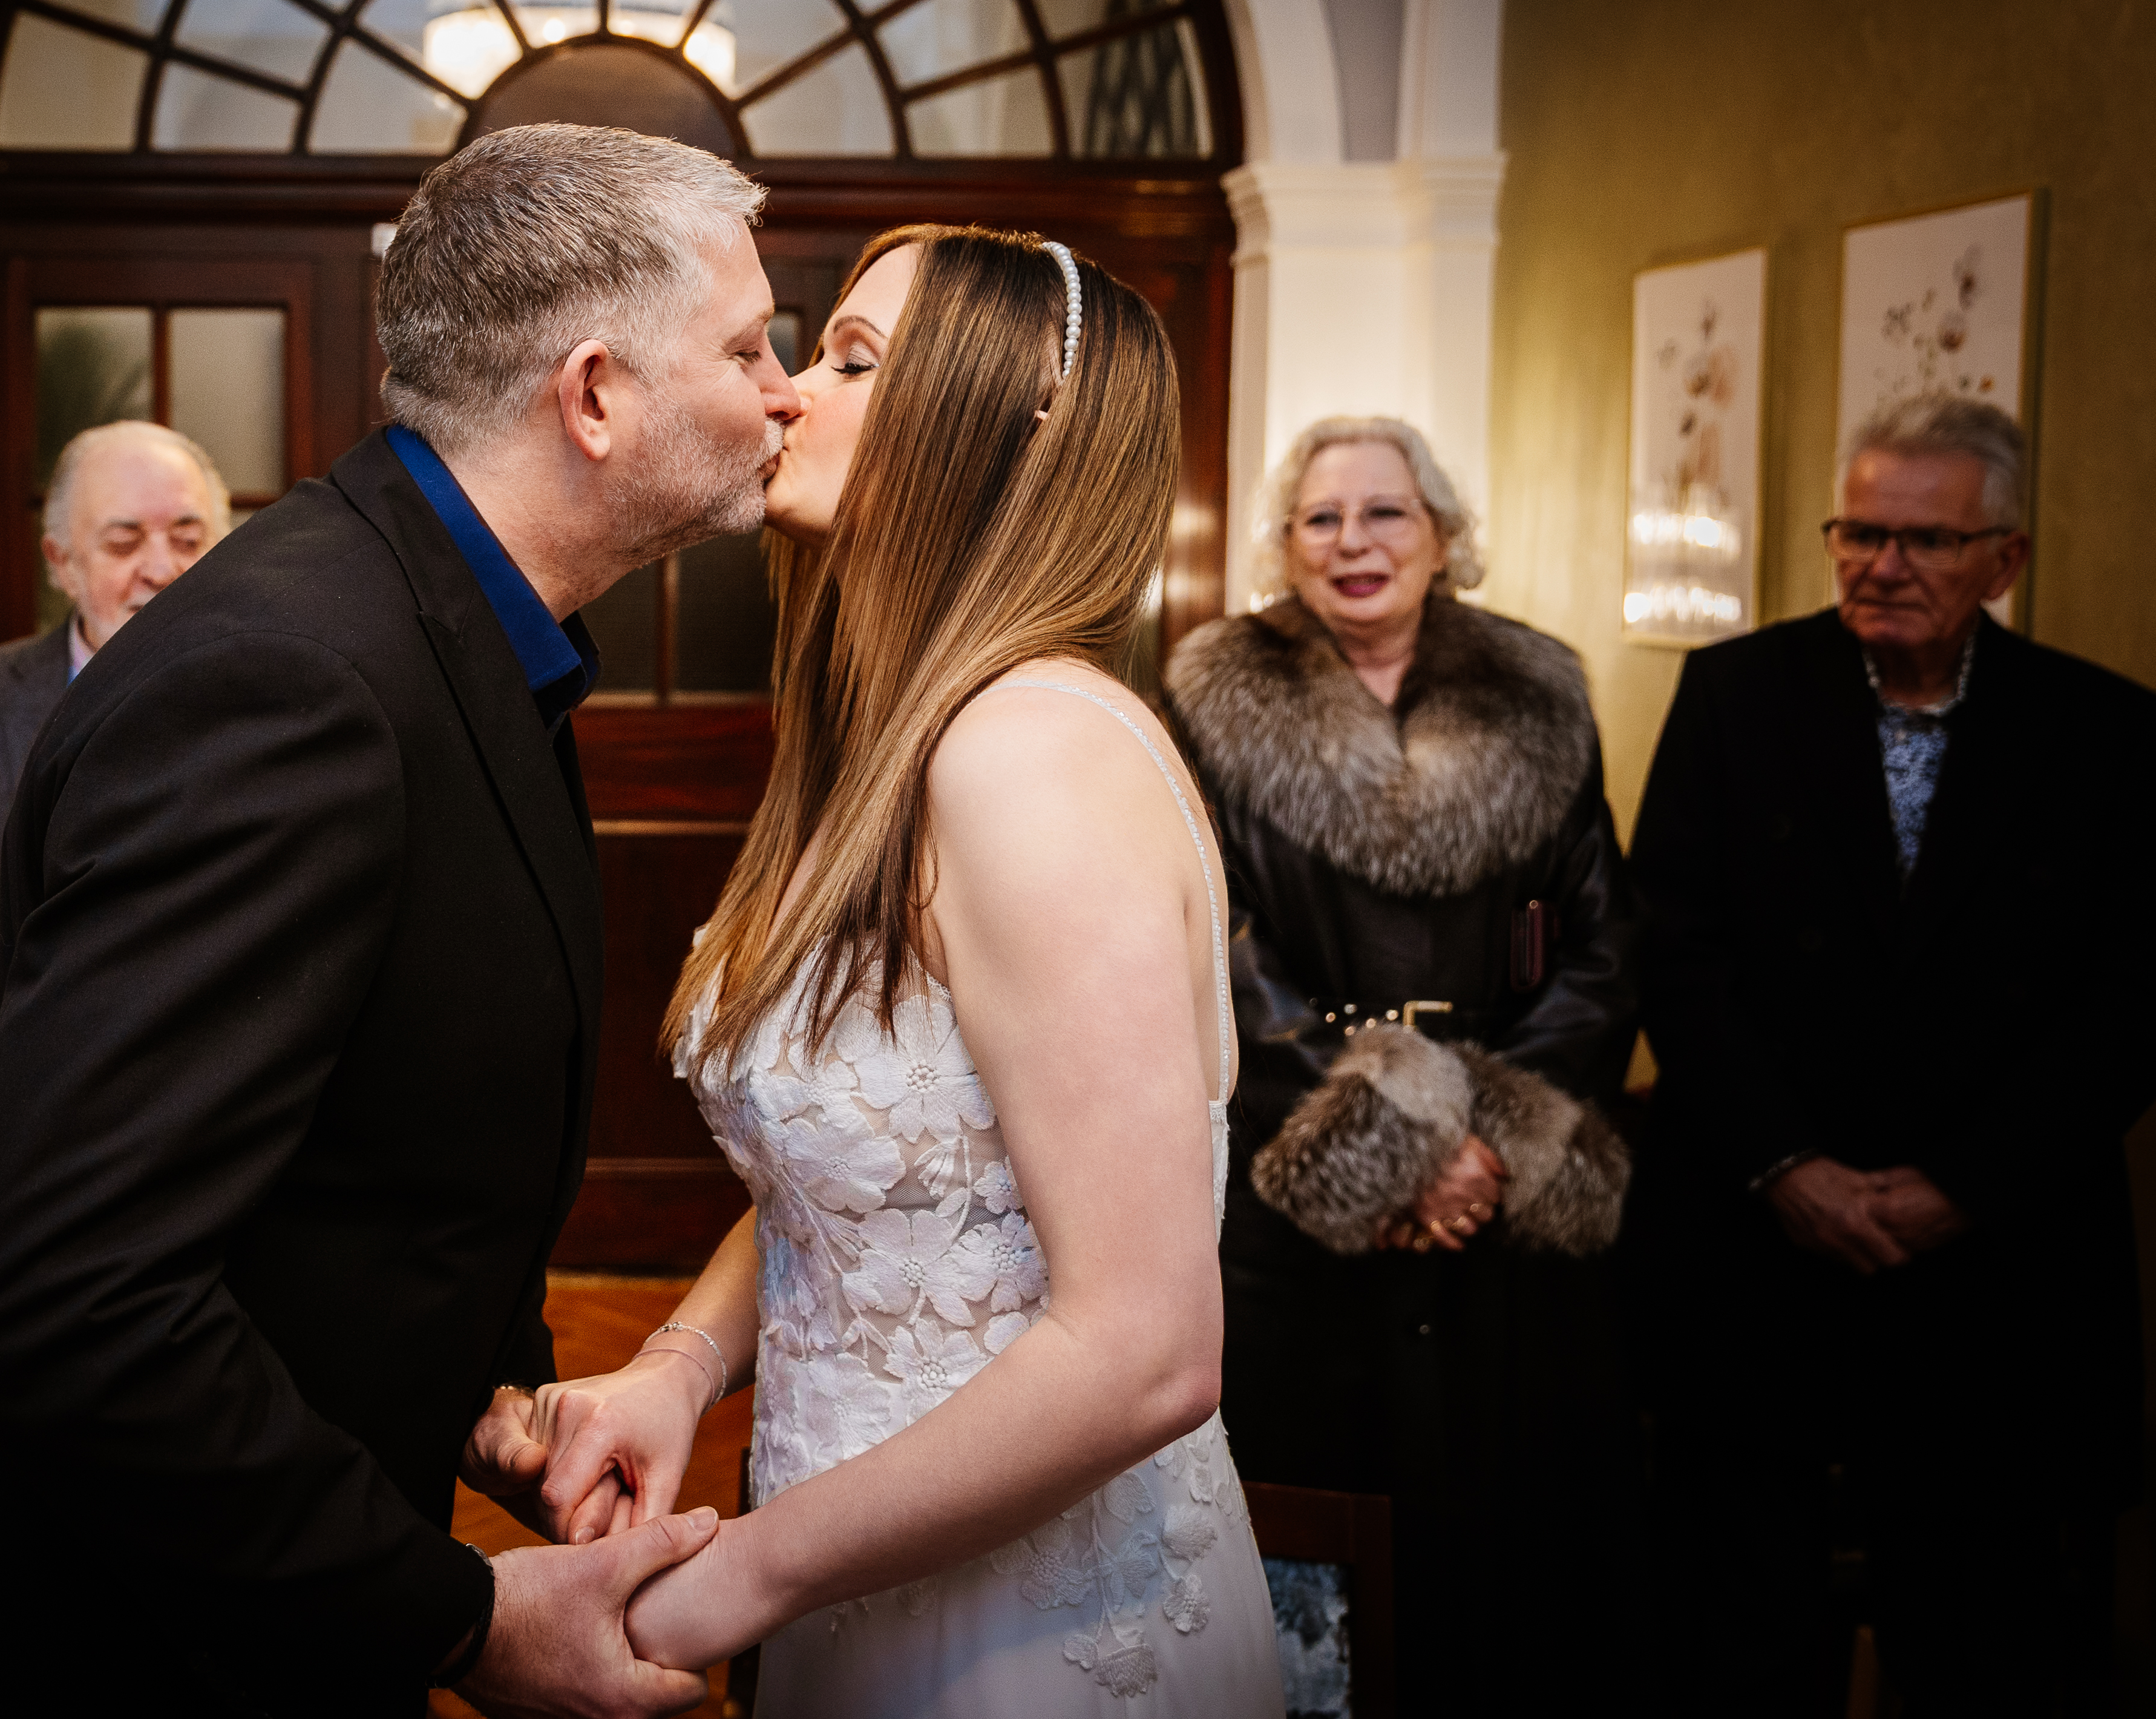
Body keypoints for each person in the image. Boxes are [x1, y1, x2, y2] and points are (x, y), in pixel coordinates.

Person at [0, 124, 805, 1719]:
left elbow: (354, 1156)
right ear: (593, 395)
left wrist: (493, 1403)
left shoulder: (458, 634)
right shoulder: (293, 678)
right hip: (63, 1643)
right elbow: (74, 1292)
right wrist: (458, 1622)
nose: (782, 387)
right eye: (747, 345)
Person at [524, 226, 1285, 1715]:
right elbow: (889, 1176)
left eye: (852, 362)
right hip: (860, 1584)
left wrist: (734, 1578)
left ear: (1001, 439)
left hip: (1032, 1639)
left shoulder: (1033, 757)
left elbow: (1146, 1350)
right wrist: (677, 1368)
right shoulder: (905, 743)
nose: (789, 394)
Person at [1630, 392, 2156, 1715]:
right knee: (1740, 1629)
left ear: (2004, 558)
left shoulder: (2102, 731)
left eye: (1924, 539)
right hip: (1760, 1241)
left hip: (1998, 1263)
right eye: (1858, 530)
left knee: (1988, 1635)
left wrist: (1962, 1182)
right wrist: (1789, 1162)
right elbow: (1672, 953)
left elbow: (2129, 998)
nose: (1882, 563)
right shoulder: (1736, 692)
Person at [1160, 416, 1640, 1716]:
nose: (1353, 542)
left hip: (1509, 1187)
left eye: (1385, 513)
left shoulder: (1539, 685)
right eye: (1321, 517)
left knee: (1507, 1519)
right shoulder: (1207, 689)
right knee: (1311, 1518)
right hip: (1296, 1178)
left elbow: (1601, 942)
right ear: (1284, 546)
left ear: (1442, 536)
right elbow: (1211, 943)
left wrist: (1480, 1141)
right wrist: (1384, 1147)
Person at [0, 418, 229, 1267]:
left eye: (189, 536)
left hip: (208, 1200)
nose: (162, 568)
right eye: (123, 540)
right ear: (61, 561)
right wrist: (41, 1073)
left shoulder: (285, 711)